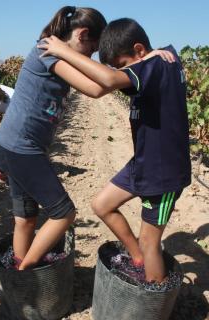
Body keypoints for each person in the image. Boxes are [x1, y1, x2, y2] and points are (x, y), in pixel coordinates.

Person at [39, 18, 191, 282]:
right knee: (102, 205)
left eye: (123, 66)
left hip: (164, 173)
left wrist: (63, 51)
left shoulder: (155, 65)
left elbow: (108, 79)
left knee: (149, 241)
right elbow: (105, 82)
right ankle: (138, 259)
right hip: (143, 163)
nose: (123, 73)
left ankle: (152, 298)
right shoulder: (156, 61)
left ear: (140, 50)